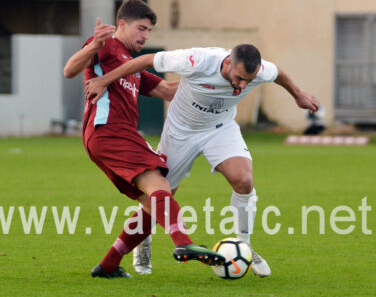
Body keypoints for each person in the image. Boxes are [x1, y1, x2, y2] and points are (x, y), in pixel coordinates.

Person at [85, 44, 319, 278]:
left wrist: (298, 94)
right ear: (227, 63)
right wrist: (104, 80)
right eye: (239, 78)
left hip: (220, 128)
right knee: (158, 197)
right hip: (180, 131)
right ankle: (142, 242)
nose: (242, 86)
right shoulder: (197, 60)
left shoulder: (260, 71)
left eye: (249, 80)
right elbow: (146, 60)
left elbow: (279, 73)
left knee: (244, 180)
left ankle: (245, 246)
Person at [64, 0, 225, 279]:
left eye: (149, 31)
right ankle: (183, 243)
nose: (145, 36)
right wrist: (93, 46)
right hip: (108, 130)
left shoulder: (134, 66)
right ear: (122, 25)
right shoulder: (107, 46)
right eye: (142, 29)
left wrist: (212, 79)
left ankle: (108, 266)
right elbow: (69, 70)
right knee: (160, 186)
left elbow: (167, 90)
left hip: (115, 136)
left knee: (155, 202)